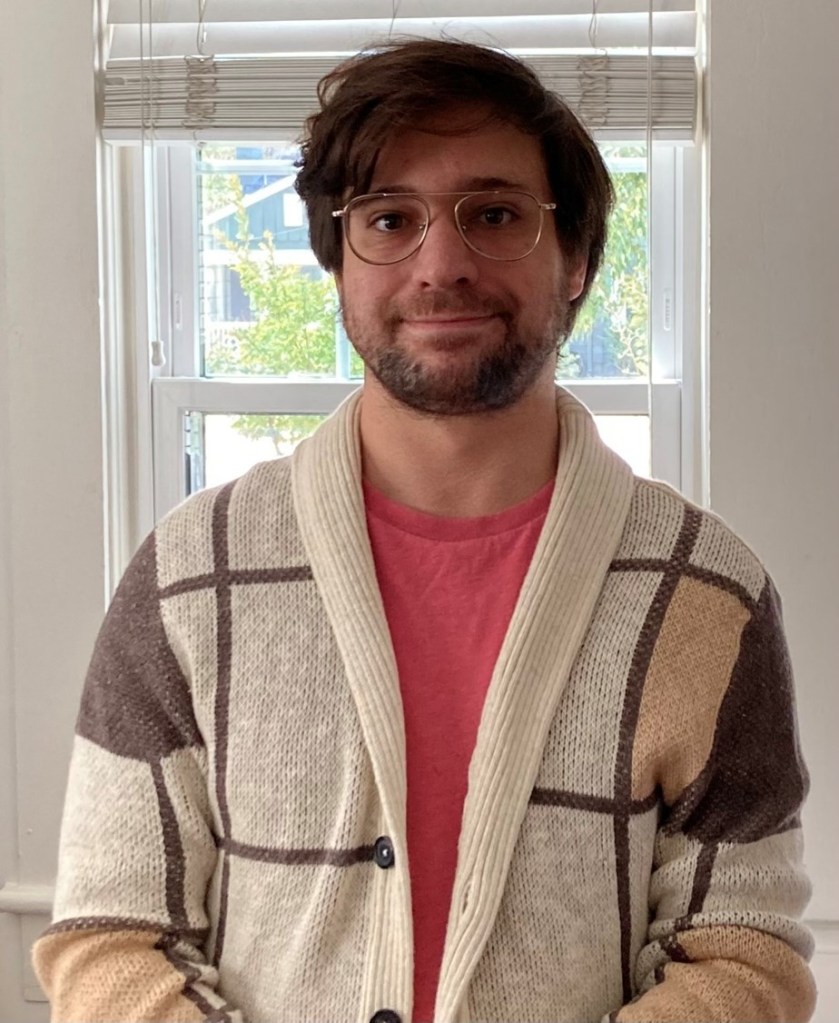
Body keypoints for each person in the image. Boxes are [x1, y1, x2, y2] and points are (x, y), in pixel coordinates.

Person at [33, 38, 815, 1023]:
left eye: (494, 215)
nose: (440, 266)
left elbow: (740, 956)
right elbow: (111, 939)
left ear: (575, 259)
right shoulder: (191, 576)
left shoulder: (704, 593)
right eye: (388, 219)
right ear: (337, 264)